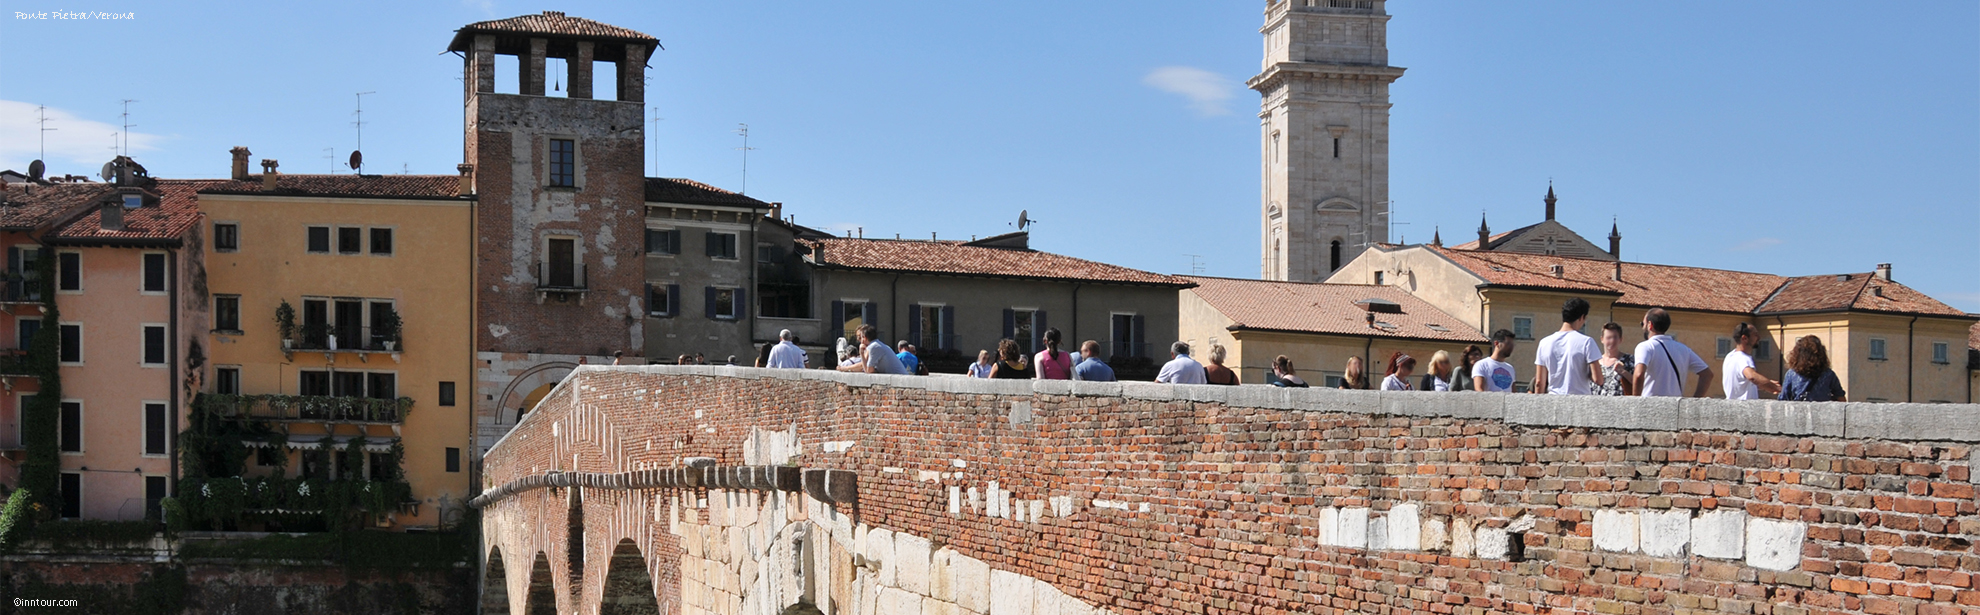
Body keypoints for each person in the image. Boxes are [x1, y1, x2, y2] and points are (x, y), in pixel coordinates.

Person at [1632, 308, 1712, 397]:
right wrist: (1695, 400)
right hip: (1675, 406)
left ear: (1650, 325)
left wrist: (1635, 403)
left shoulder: (1645, 347)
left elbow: (1639, 374)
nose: (1642, 327)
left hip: (1651, 404)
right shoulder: (1684, 349)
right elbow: (1707, 374)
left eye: (1643, 324)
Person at [1533, 298, 1604, 395]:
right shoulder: (1587, 342)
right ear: (1581, 317)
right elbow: (1598, 379)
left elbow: (1539, 382)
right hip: (1579, 400)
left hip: (1554, 399)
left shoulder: (1544, 343)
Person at [1778, 335, 1847, 402]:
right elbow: (1840, 397)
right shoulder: (1828, 374)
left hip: (1799, 412)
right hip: (1822, 412)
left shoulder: (1791, 374)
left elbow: (1784, 399)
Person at [1723, 323, 1780, 400]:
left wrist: (1767, 384)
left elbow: (1742, 383)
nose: (1759, 337)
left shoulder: (1730, 356)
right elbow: (1752, 377)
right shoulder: (1743, 358)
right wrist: (1777, 388)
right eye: (1755, 335)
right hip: (1745, 409)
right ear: (1744, 338)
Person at [839, 325, 912, 375]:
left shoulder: (874, 347)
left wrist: (844, 368)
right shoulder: (876, 345)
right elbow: (865, 366)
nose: (859, 340)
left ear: (865, 338)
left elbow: (867, 370)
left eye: (860, 337)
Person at [1595, 323, 1635, 397]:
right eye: (1608, 338)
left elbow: (1640, 384)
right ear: (1602, 339)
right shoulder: (1595, 363)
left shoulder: (1630, 360)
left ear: (1620, 339)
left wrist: (1623, 372)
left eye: (1615, 337)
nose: (1612, 341)